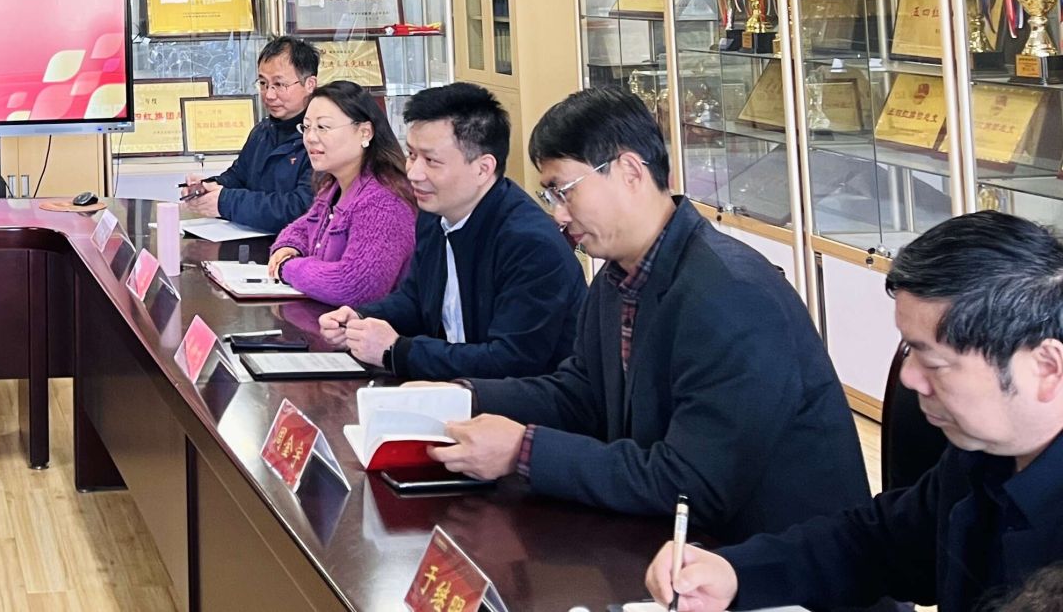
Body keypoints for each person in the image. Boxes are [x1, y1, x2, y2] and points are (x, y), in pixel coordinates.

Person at [434, 85, 867, 543]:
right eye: (550, 197)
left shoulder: (731, 295)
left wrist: (523, 451)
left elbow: (692, 484)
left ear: (629, 171)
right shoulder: (618, 276)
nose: (558, 215)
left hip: (774, 562)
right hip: (676, 546)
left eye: (564, 191)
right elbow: (582, 396)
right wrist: (462, 397)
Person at [650, 211, 1063, 612]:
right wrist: (736, 572)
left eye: (934, 362)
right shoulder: (982, 457)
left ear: (1045, 368)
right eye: (909, 350)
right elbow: (879, 545)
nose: (909, 378)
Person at [316, 82, 584, 379]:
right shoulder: (434, 215)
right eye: (411, 155)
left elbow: (511, 362)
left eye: (431, 161)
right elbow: (416, 300)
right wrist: (361, 320)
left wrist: (397, 351)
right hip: (452, 389)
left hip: (512, 402)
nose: (413, 173)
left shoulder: (529, 243)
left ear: (483, 168)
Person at [265, 80, 417, 305]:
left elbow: (354, 286)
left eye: (323, 127)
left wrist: (287, 267)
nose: (310, 137)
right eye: (306, 127)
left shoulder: (384, 200)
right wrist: (289, 247)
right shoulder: (333, 185)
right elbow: (303, 229)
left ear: (364, 132)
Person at [182, 34, 316, 233]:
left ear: (309, 84)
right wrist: (208, 187)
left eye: (279, 85)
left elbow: (300, 208)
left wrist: (225, 201)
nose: (269, 95)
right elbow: (238, 177)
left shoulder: (320, 138)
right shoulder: (262, 131)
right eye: (263, 83)